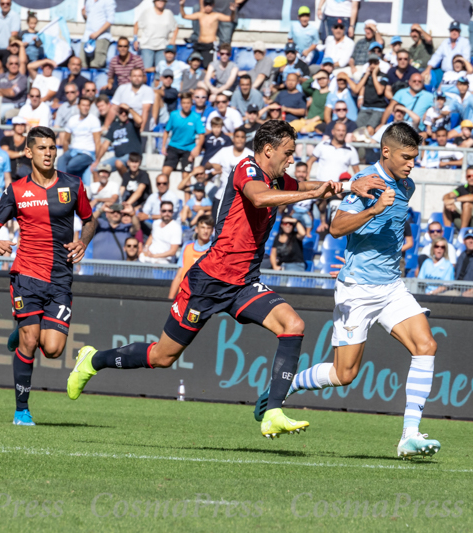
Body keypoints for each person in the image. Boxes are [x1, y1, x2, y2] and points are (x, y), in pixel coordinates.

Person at [67, 120, 383, 439]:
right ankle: (93, 359)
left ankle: (273, 411)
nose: (292, 160)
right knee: (162, 357)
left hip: (244, 283)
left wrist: (341, 187)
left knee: (293, 325)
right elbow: (260, 198)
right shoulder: (245, 169)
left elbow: (299, 185)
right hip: (209, 282)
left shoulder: (275, 175)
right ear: (268, 151)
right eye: (288, 153)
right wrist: (314, 192)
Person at [278, 122, 441, 457]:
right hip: (358, 289)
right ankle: (286, 385)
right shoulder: (368, 184)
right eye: (406, 157)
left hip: (392, 287)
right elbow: (336, 228)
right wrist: (374, 209)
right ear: (386, 152)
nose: (412, 164)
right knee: (344, 373)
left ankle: (409, 435)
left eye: (415, 157)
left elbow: (395, 226)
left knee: (426, 345)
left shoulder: (405, 185)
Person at [0, 126, 96, 426]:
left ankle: (22, 330)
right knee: (30, 341)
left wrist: (83, 241)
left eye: (52, 148)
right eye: (42, 148)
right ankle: (22, 409)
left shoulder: (73, 184)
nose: (48, 153)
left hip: (60, 278)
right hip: (26, 274)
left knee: (52, 348)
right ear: (29, 152)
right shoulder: (16, 190)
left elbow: (89, 220)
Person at [180, 0, 238, 68]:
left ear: (213, 5)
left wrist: (233, 11)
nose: (208, 7)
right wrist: (181, 6)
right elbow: (184, 16)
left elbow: (231, 19)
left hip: (210, 45)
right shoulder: (200, 15)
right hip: (199, 44)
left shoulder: (216, 15)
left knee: (208, 66)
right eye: (206, 5)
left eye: (209, 5)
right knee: (190, 62)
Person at [163, 92, 205, 185]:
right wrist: (163, 146)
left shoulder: (196, 117)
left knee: (186, 177)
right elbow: (166, 131)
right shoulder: (174, 115)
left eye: (188, 103)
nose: (186, 105)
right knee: (165, 173)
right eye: (184, 103)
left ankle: (187, 199)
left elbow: (202, 135)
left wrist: (197, 148)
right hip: (173, 147)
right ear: (181, 104)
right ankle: (165, 198)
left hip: (188, 149)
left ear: (191, 104)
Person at [57, 97, 101, 185]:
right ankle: (60, 185)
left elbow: (97, 141)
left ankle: (66, 185)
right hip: (73, 150)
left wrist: (97, 160)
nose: (85, 107)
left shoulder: (93, 120)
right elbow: (66, 140)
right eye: (83, 105)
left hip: (87, 152)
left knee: (71, 165)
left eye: (87, 105)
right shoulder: (72, 120)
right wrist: (66, 154)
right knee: (61, 160)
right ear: (78, 106)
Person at [168, 216, 214, 298]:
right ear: (196, 229)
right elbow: (179, 275)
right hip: (184, 295)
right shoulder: (187, 246)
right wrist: (170, 298)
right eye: (202, 227)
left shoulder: (213, 250)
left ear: (212, 231)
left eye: (208, 228)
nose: (205, 231)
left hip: (202, 297)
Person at [96, 103, 142, 178]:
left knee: (119, 163)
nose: (123, 114)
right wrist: (97, 160)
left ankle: (128, 181)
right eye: (121, 112)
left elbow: (140, 121)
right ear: (117, 113)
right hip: (118, 157)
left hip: (132, 156)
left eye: (125, 112)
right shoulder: (114, 126)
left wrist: (129, 108)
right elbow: (105, 144)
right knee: (97, 168)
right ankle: (99, 189)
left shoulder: (132, 123)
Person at [206, 128, 252, 199]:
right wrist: (212, 165)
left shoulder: (251, 155)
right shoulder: (224, 151)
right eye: (237, 137)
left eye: (242, 137)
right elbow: (206, 165)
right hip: (222, 195)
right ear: (233, 138)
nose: (240, 139)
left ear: (245, 139)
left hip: (241, 197)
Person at [134, 0, 178, 73]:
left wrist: (173, 40)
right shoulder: (147, 12)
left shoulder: (168, 13)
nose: (160, 1)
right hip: (147, 46)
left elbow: (176, 27)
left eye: (162, 0)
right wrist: (135, 39)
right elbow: (137, 24)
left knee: (160, 72)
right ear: (154, 1)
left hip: (162, 47)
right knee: (145, 71)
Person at [107, 67, 155, 132]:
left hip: (143, 128)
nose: (137, 78)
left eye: (139, 76)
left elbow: (146, 111)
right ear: (130, 77)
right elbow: (113, 108)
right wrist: (106, 126)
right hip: (125, 127)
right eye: (134, 76)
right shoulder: (122, 88)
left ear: (143, 77)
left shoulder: (148, 90)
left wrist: (141, 130)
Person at [79, 0, 116, 69]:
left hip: (101, 37)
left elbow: (110, 20)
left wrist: (97, 33)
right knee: (82, 63)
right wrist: (84, 15)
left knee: (96, 64)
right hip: (87, 37)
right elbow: (89, 19)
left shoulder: (109, 1)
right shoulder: (89, 1)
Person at [0, 54, 29, 120]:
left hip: (15, 106)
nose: (13, 66)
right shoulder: (1, 76)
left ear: (19, 65)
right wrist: (9, 90)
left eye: (16, 64)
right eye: (11, 63)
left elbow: (12, 93)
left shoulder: (23, 78)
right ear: (7, 65)